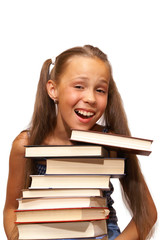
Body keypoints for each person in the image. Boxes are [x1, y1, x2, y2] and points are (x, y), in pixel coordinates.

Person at [3, 45, 157, 240]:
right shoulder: (26, 145)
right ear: (53, 89)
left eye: (100, 90)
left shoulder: (110, 144)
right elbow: (11, 208)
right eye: (79, 86)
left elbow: (147, 214)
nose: (91, 98)